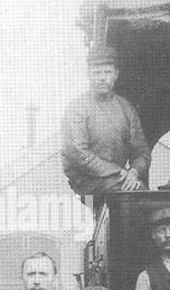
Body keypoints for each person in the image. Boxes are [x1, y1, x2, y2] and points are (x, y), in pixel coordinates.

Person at [60, 45, 150, 209]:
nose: (102, 78)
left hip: (118, 179)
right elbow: (78, 153)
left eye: (107, 72)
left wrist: (134, 172)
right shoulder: (77, 108)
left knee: (144, 196)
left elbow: (142, 152)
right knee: (130, 194)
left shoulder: (125, 108)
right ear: (89, 74)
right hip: (86, 185)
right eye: (97, 72)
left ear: (115, 75)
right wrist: (117, 172)